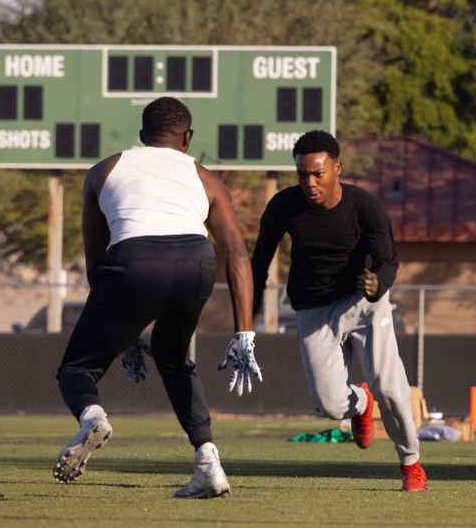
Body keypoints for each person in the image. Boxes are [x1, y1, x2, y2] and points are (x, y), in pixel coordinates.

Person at [53, 96, 262, 498]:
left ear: (141, 137)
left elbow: (97, 262)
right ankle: (208, 462)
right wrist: (244, 332)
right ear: (187, 137)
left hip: (136, 260)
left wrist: (124, 331)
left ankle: (92, 417)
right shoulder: (206, 177)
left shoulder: (103, 171)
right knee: (172, 357)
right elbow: (236, 252)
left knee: (77, 368)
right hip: (198, 263)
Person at [250, 130, 428, 492]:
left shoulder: (366, 207)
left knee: (390, 387)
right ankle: (361, 402)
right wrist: (246, 319)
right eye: (302, 175)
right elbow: (257, 263)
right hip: (313, 309)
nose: (310, 183)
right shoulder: (284, 206)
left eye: (318, 174)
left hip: (363, 301)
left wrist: (378, 283)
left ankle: (410, 464)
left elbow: (387, 261)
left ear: (337, 168)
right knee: (330, 406)